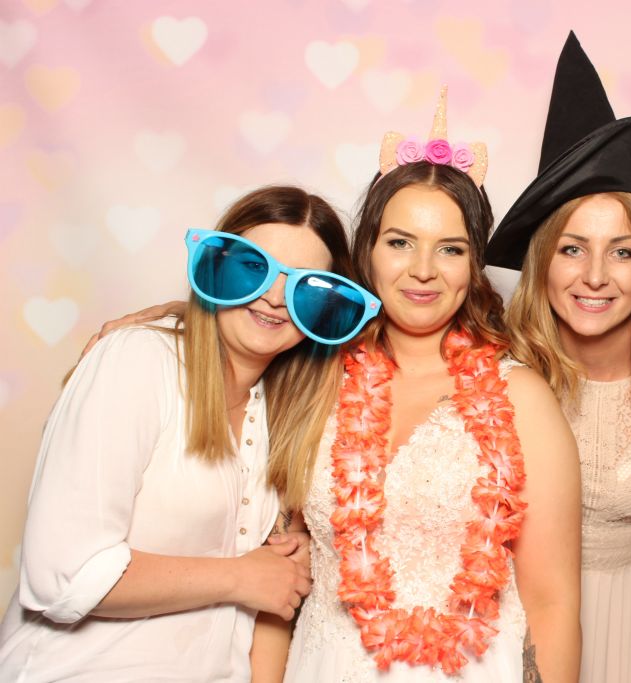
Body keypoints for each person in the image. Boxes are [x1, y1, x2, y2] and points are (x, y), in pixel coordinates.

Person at [0, 185, 383, 681]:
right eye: (252, 267)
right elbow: (64, 574)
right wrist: (240, 577)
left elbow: (274, 596)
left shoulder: (287, 414)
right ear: (215, 267)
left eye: (304, 287)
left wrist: (307, 553)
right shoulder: (138, 361)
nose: (274, 297)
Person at [266, 91, 582, 682]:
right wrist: (170, 319)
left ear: (474, 263)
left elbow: (553, 604)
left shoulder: (522, 399)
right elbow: (277, 569)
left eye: (450, 249)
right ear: (367, 249)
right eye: (400, 242)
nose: (423, 270)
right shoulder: (310, 376)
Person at [485, 33, 631, 683]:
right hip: (498, 636)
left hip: (617, 639)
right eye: (572, 248)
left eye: (622, 251)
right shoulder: (495, 369)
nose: (595, 275)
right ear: (542, 261)